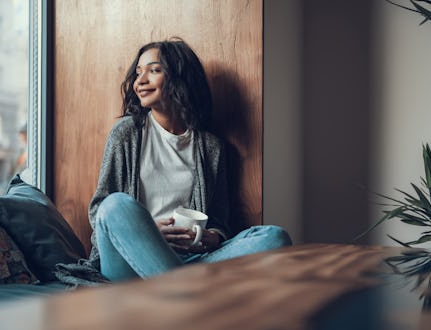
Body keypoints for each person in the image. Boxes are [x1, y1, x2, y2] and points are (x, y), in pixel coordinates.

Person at [56, 37, 292, 285]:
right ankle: (184, 292)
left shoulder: (211, 147)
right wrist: (148, 231)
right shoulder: (126, 133)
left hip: (189, 261)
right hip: (128, 262)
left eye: (154, 70)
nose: (140, 81)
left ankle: (174, 288)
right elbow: (100, 210)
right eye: (138, 73)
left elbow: (220, 220)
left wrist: (212, 236)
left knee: (274, 237)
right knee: (115, 205)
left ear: (181, 78)